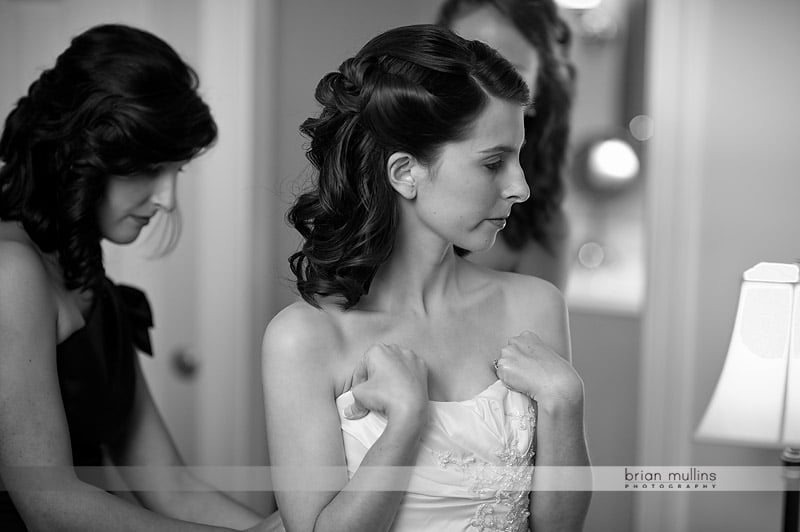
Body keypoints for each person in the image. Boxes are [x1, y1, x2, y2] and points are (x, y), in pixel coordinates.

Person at [262, 24, 590, 532]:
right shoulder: (303, 340)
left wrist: (566, 401)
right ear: (405, 172)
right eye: (492, 163)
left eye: (518, 156)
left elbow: (559, 528)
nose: (520, 187)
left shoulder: (536, 307)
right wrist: (405, 422)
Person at [0, 24, 277, 531]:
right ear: (82, 156)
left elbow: (171, 487)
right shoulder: (9, 272)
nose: (167, 200)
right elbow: (50, 508)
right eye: (149, 168)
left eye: (176, 172)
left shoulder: (92, 285)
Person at [437, 0, 576, 290]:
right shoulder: (366, 185)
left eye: (509, 74)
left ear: (539, 90)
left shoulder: (538, 230)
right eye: (465, 68)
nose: (481, 91)